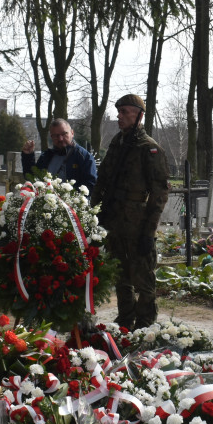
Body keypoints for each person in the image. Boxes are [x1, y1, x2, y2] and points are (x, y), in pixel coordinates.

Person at [92, 94, 169, 330]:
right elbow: (102, 181)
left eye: (125, 111)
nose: (120, 116)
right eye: (119, 111)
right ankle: (125, 321)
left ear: (139, 115)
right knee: (120, 275)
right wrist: (93, 215)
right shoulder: (117, 144)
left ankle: (145, 325)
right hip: (115, 220)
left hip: (138, 223)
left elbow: (159, 194)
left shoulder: (149, 149)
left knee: (143, 278)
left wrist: (149, 232)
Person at [21, 119, 97, 193]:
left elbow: (90, 185)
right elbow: (32, 178)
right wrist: (28, 156)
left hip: (72, 204)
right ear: (51, 137)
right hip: (46, 203)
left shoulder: (84, 157)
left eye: (64, 134)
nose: (60, 139)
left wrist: (71, 199)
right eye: (56, 136)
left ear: (72, 133)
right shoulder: (46, 156)